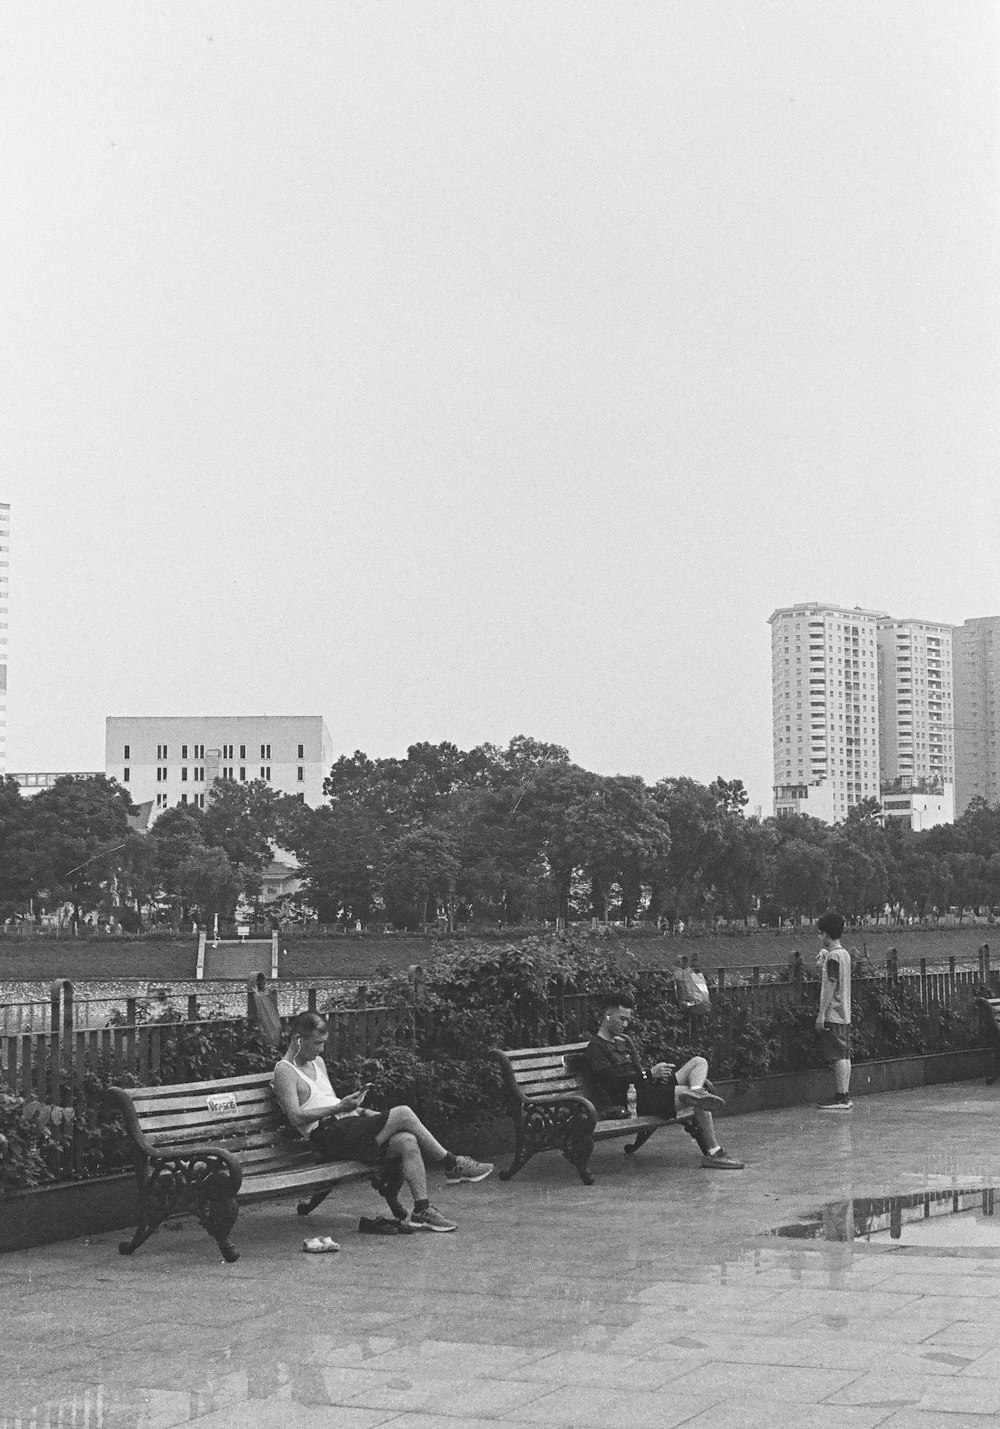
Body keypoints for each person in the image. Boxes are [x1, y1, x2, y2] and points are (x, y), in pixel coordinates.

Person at [273, 1011, 493, 1232]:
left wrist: (361, 1110)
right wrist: (340, 1108)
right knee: (404, 1112)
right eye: (317, 1043)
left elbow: (329, 1100)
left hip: (347, 1127)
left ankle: (422, 1210)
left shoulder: (318, 1063)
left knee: (407, 1141)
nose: (321, 1049)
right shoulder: (285, 1071)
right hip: (326, 1136)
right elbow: (295, 1117)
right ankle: (451, 1163)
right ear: (299, 1040)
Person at [581, 993, 744, 1170]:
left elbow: (638, 1074)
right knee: (691, 1097)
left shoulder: (622, 1043)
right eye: (622, 1019)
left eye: (628, 1020)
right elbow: (612, 1083)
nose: (625, 1024)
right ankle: (714, 1153)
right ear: (607, 1015)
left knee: (699, 1062)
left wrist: (654, 1075)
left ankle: (696, 1092)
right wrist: (649, 1074)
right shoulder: (595, 1048)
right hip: (630, 1100)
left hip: (647, 1089)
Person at [815, 910, 852, 1111]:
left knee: (837, 1055)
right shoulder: (843, 954)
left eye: (820, 934)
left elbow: (830, 983)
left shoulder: (833, 957)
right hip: (845, 1011)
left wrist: (821, 1013)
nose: (819, 937)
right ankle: (845, 1094)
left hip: (834, 1012)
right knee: (845, 1055)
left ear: (827, 934)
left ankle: (840, 1097)